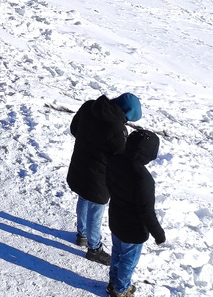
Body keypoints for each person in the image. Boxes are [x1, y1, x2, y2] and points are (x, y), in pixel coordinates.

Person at [67, 92, 142, 265]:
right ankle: (94, 249)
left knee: (83, 198)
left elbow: (74, 129)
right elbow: (120, 159)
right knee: (96, 211)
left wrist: (88, 143)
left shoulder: (89, 106)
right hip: (99, 179)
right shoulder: (117, 129)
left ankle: (82, 235)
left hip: (79, 165)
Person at [106, 129, 166, 297]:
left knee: (117, 253)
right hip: (133, 230)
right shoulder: (143, 179)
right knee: (128, 261)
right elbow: (146, 212)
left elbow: (109, 184)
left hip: (116, 219)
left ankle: (113, 282)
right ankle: (121, 290)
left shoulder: (115, 159)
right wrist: (158, 234)